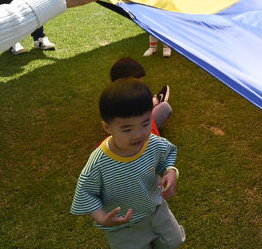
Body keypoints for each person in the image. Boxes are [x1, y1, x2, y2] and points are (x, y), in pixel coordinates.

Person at [70, 78, 185, 248]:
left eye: (145, 123)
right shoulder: (99, 162)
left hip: (158, 212)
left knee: (173, 241)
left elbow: (165, 157)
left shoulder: (152, 142)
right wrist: (102, 217)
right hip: (124, 227)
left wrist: (170, 171)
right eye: (127, 129)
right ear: (107, 127)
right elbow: (85, 192)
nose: (138, 134)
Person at [109, 57, 173, 134]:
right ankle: (156, 101)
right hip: (142, 132)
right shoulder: (129, 106)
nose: (141, 87)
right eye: (138, 85)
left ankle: (154, 101)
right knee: (165, 107)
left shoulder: (111, 97)